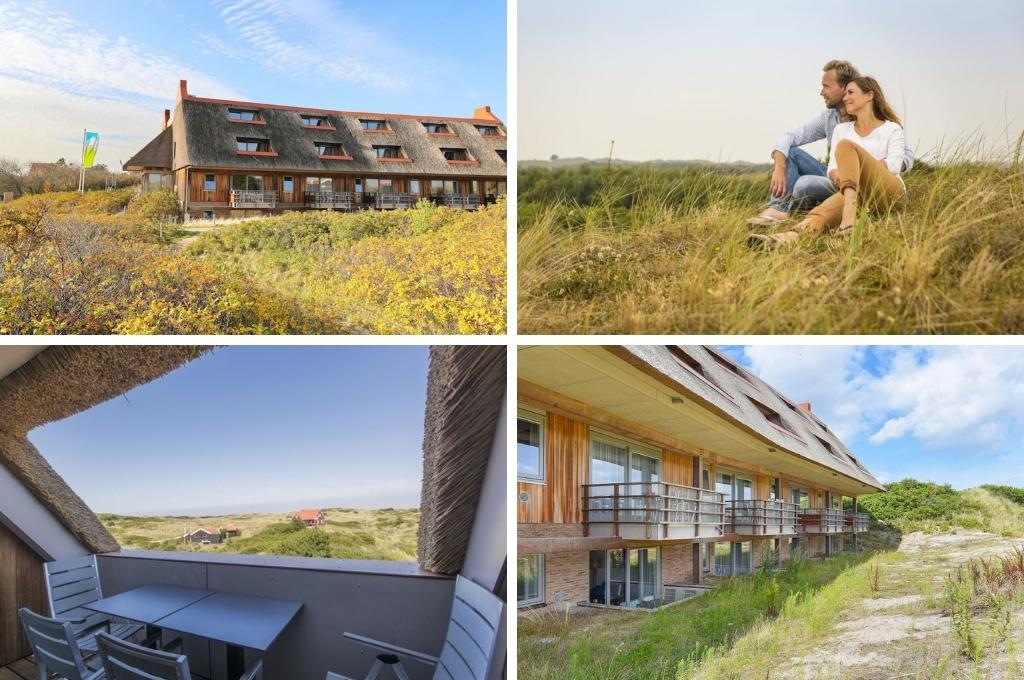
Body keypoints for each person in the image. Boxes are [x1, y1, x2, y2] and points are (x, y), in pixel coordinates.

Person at [745, 60, 913, 227]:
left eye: (826, 86)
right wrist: (779, 167)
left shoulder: (883, 124)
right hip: (838, 176)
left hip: (872, 179)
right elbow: (790, 137)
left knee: (803, 186)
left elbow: (903, 156)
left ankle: (821, 208)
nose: (821, 92)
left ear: (845, 87)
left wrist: (874, 170)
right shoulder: (832, 121)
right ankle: (778, 208)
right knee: (793, 155)